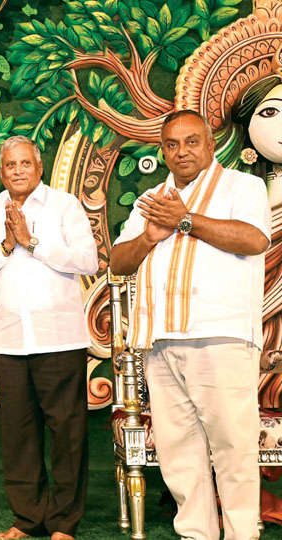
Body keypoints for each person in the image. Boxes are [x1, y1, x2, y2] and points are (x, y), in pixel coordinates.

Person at [110, 110, 270, 540]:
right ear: (162, 150)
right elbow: (118, 261)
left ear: (210, 144)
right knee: (180, 455)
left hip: (220, 337)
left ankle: (242, 535)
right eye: (172, 144)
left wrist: (184, 220)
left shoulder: (243, 186)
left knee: (233, 450)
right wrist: (148, 236)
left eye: (192, 141)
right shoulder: (151, 197)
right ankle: (196, 534)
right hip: (160, 341)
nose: (182, 151)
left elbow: (255, 240)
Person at [0, 135, 98, 540]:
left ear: (39, 167)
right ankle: (27, 519)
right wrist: (6, 245)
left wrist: (32, 242)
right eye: (10, 166)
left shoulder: (64, 206)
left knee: (67, 434)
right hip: (9, 343)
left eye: (25, 164)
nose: (18, 171)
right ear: (1, 172)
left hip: (59, 340)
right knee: (18, 435)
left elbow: (88, 259)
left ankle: (63, 524)